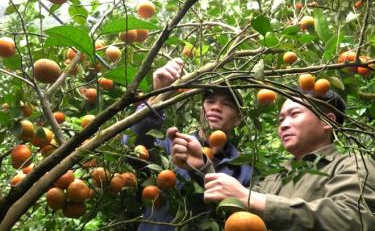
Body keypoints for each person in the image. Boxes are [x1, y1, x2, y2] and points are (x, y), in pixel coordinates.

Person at [171, 89, 375, 231]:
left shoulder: (353, 164)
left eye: (294, 114)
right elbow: (238, 214)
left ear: (327, 121)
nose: (284, 125)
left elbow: (353, 220)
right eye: (280, 120)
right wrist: (201, 167)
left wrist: (254, 200)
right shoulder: (273, 178)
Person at [123, 58, 252, 231]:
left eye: (227, 104)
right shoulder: (173, 144)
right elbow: (132, 146)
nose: (216, 107)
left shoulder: (242, 168)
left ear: (238, 119)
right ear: (201, 109)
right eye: (210, 101)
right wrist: (158, 96)